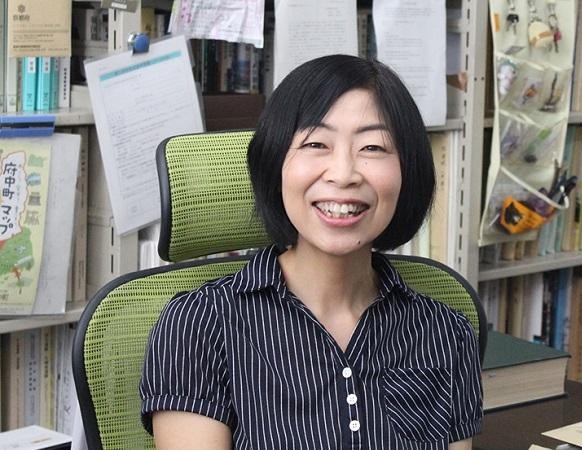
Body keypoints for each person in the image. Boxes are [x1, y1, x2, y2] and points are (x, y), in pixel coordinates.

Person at [139, 54, 483, 449]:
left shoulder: (446, 333)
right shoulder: (199, 324)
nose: (343, 174)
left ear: (408, 173)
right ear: (276, 165)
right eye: (316, 143)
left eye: (373, 147)